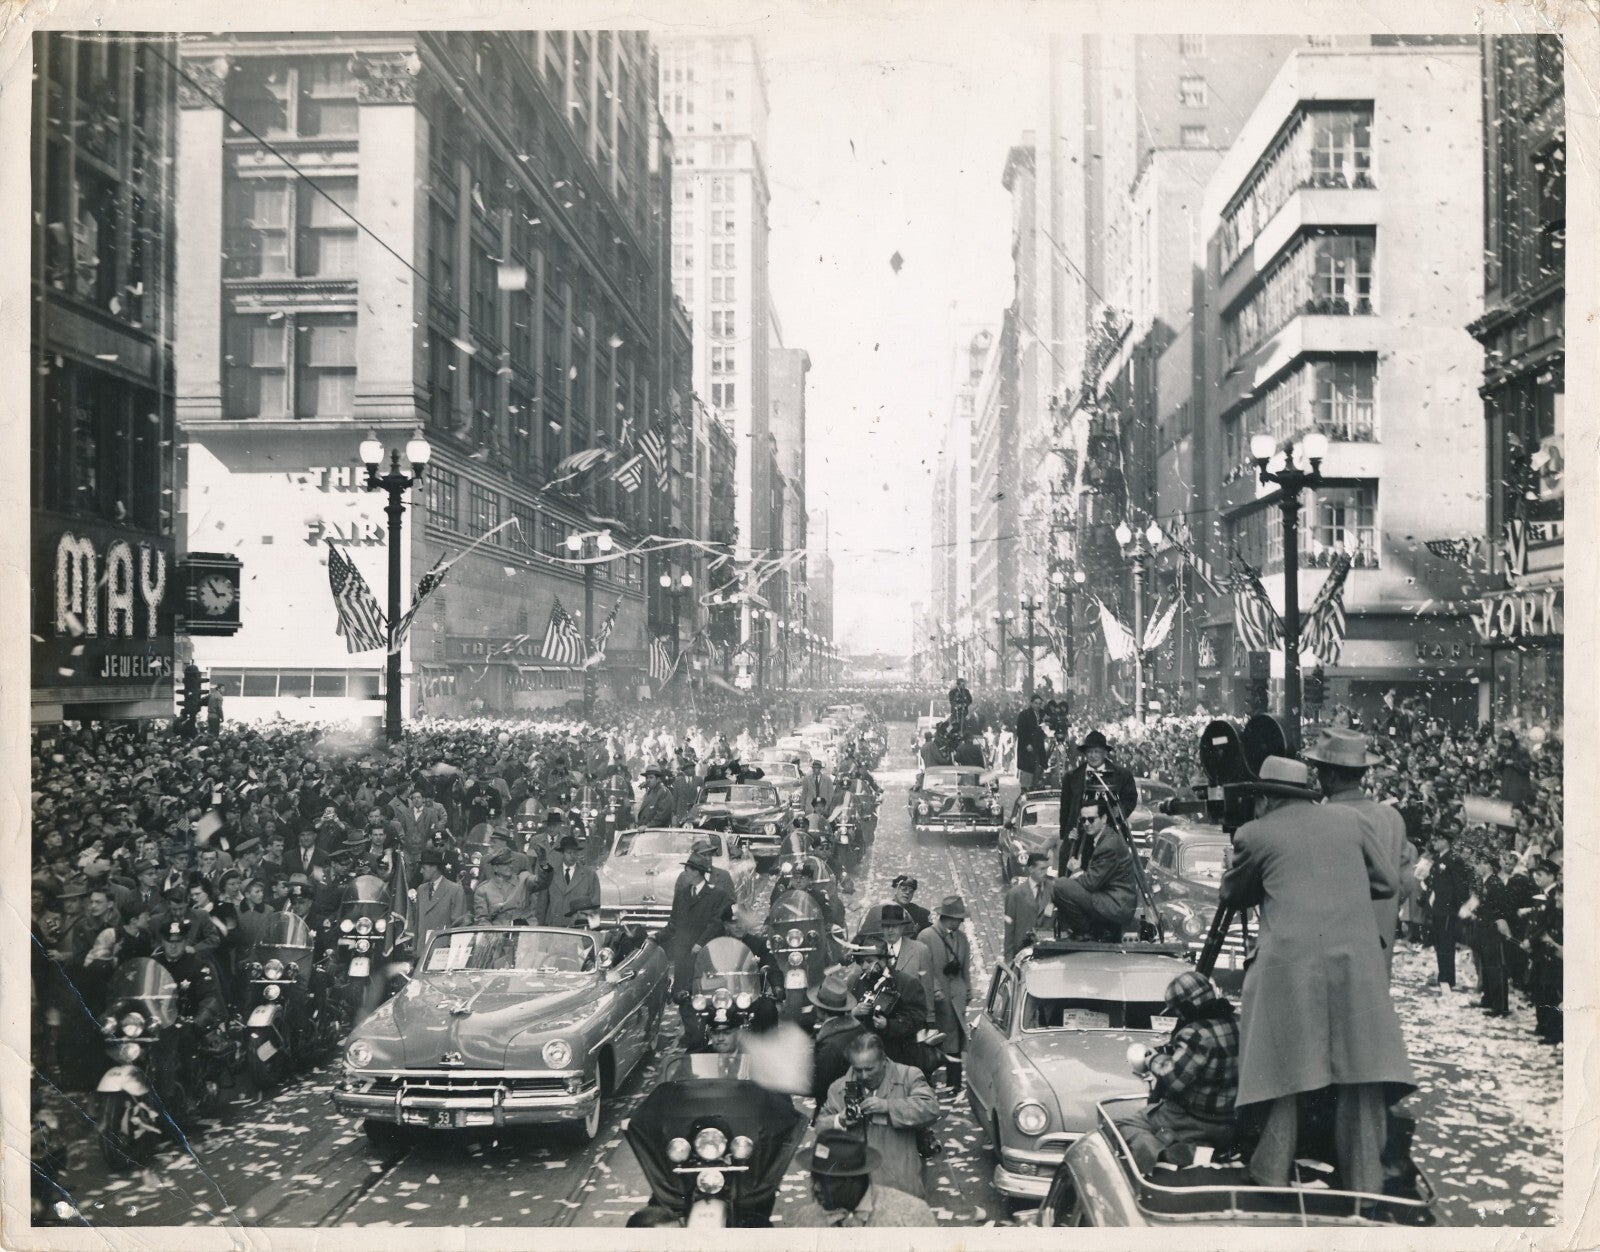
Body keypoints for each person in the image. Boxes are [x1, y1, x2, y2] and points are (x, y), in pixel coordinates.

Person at [1218, 756, 1414, 1197]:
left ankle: (1271, 1173)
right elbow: (1387, 884)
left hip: (1290, 967)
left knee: (1285, 1071)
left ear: (1265, 798)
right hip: (1355, 963)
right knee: (1360, 1074)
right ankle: (1365, 1185)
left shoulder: (1255, 834)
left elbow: (1233, 894)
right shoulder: (1350, 821)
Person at [1304, 727, 1414, 975]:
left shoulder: (1320, 819)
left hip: (1331, 951)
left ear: (1330, 775)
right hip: (1379, 945)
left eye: (1320, 770)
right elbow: (1407, 881)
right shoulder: (1392, 818)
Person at [1115, 970, 1240, 1173]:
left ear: (1187, 1007)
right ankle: (1198, 1151)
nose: (1179, 1016)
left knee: (1126, 1124)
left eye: (1178, 1011)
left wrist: (1152, 1059)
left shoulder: (1195, 1033)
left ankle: (1164, 1155)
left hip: (1193, 1120)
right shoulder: (1240, 1023)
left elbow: (1173, 1080)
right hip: (1230, 1120)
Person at [817, 1031, 941, 1199]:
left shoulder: (909, 1076)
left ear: (883, 1060)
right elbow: (820, 1126)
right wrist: (840, 1120)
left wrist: (888, 1106)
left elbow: (931, 1108)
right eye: (858, 1070)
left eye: (869, 1069)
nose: (864, 1076)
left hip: (900, 1184)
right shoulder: (838, 1088)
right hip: (856, 1189)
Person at [789, 1127, 937, 1228]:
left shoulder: (910, 1215)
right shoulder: (806, 1220)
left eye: (825, 1181)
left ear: (853, 1180)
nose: (816, 1187)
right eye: (815, 1178)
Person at [1051, 799, 1139, 941]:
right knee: (1064, 886)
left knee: (1059, 885)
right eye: (1083, 820)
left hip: (1116, 906)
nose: (1086, 824)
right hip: (1113, 901)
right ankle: (1093, 930)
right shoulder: (1106, 837)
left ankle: (1088, 932)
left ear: (1104, 819)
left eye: (1091, 819)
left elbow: (1090, 883)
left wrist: (1076, 870)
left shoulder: (1108, 845)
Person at [1058, 730, 1138, 874]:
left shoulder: (1122, 775)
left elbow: (1130, 798)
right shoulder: (1072, 777)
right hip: (1079, 838)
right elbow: (1065, 809)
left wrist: (1119, 810)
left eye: (1097, 751)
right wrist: (1065, 835)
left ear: (1104, 753)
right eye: (1089, 752)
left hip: (1108, 837)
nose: (1093, 755)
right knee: (1073, 878)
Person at [918, 896, 972, 1093]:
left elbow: (965, 967)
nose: (961, 922)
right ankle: (926, 1084)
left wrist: (967, 989)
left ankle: (954, 1084)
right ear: (948, 917)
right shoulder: (926, 937)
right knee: (932, 1043)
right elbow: (923, 968)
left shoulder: (962, 938)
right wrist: (935, 989)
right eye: (958, 918)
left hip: (956, 998)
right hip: (935, 1002)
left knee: (954, 1043)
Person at [660, 853, 732, 993]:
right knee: (681, 994)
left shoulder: (718, 895)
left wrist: (700, 943)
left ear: (696, 872)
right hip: (683, 956)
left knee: (705, 993)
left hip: (707, 954)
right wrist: (656, 937)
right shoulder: (682, 894)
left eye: (687, 870)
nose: (684, 874)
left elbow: (716, 924)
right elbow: (673, 923)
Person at [1424, 827, 1473, 991]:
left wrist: (1459, 907)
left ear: (1446, 841)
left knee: (1446, 943)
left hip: (1448, 908)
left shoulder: (1454, 860)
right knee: (1439, 942)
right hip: (1438, 905)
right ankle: (1442, 976)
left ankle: (1447, 978)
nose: (1434, 842)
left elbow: (1459, 886)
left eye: (1437, 839)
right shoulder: (1438, 859)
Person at [809, 970, 866, 1111]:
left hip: (837, 1106)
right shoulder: (859, 1028)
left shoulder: (830, 1044)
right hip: (857, 1097)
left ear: (821, 1010)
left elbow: (820, 1086)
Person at [414, 847, 470, 956]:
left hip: (443, 953)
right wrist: (415, 949)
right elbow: (417, 923)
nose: (421, 871)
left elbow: (459, 925)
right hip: (422, 952)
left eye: (423, 868)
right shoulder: (421, 889)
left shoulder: (455, 890)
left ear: (434, 867)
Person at [473, 849, 542, 926]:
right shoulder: (483, 890)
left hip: (525, 930)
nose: (510, 866)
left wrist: (544, 866)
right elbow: (482, 920)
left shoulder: (524, 880)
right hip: (499, 931)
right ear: (496, 868)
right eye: (505, 864)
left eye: (510, 863)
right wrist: (493, 933)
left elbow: (542, 881)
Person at [1003, 852, 1053, 959]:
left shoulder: (1053, 891)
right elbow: (1009, 928)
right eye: (1042, 869)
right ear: (1031, 869)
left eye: (1046, 869)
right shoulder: (1015, 894)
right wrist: (1008, 957)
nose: (1045, 873)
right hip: (1022, 951)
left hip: (1047, 952)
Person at [544, 835, 601, 929]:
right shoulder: (551, 874)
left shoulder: (590, 875)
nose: (572, 856)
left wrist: (593, 930)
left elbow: (595, 905)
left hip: (579, 928)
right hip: (554, 928)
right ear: (562, 853)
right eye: (569, 852)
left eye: (575, 852)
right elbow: (543, 904)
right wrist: (540, 928)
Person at [1015, 693, 1049, 790]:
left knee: (1037, 767)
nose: (1037, 705)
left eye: (1039, 703)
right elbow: (1020, 731)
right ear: (1031, 703)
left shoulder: (1041, 714)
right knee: (1027, 768)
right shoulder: (1024, 714)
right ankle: (1025, 789)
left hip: (1038, 745)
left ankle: (1034, 787)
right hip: (1028, 745)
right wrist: (1027, 744)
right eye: (1035, 703)